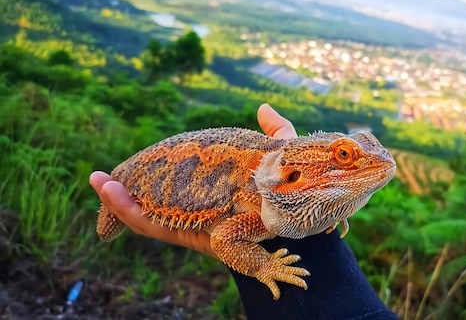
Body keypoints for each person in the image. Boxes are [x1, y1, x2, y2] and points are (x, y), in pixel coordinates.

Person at [90, 104, 398, 320]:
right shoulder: (260, 202)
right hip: (137, 181)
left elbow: (308, 199)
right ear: (294, 176)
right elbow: (225, 239)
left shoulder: (294, 188)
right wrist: (264, 267)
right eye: (344, 156)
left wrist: (329, 206)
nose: (375, 163)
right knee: (106, 231)